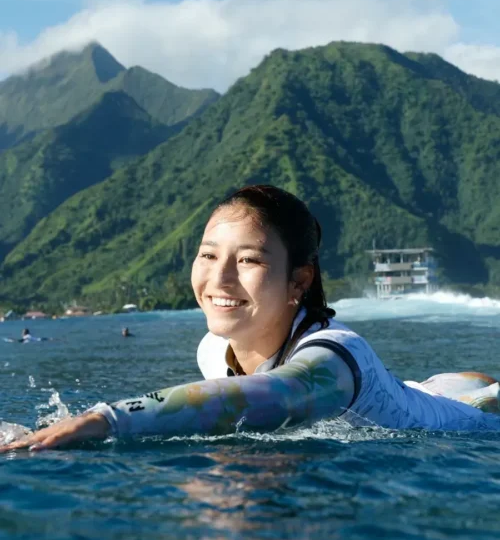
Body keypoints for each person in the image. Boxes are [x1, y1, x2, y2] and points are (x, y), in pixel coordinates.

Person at [2, 185, 500, 452]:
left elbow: (279, 395)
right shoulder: (212, 349)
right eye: (207, 255)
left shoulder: (333, 359)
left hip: (472, 423)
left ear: (299, 282)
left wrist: (104, 420)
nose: (219, 280)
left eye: (249, 260)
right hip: (416, 391)